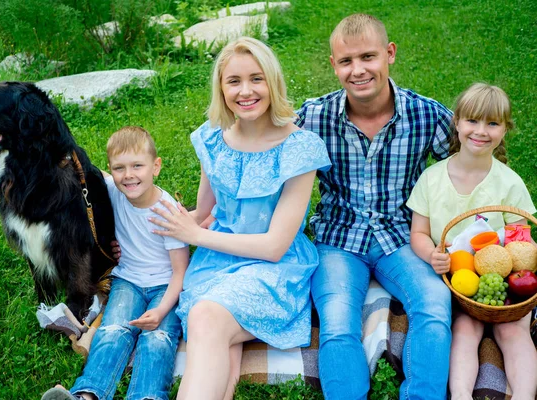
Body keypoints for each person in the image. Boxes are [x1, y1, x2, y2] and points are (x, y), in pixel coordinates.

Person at [147, 37, 331, 400]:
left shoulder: (299, 148)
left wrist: (197, 236)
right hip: (218, 263)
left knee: (206, 318)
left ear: (273, 83)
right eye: (234, 81)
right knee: (215, 334)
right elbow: (202, 213)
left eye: (256, 79)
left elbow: (275, 246)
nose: (245, 91)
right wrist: (144, 230)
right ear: (221, 87)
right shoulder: (213, 139)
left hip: (274, 269)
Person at [296, 13, 454, 400]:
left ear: (390, 54)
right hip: (337, 238)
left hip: (402, 236)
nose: (358, 70)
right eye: (346, 61)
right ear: (333, 65)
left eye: (368, 57)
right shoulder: (312, 117)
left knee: (434, 304)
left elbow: (472, 168)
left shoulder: (426, 114)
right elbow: (272, 162)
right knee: (336, 322)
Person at [408, 83, 537, 400]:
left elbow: (521, 239)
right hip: (460, 279)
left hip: (502, 278)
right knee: (464, 330)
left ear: (505, 129)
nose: (481, 131)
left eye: (493, 123)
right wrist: (432, 255)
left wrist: (516, 269)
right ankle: (462, 395)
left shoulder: (508, 182)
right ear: (456, 121)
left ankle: (524, 395)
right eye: (473, 121)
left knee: (514, 330)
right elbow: (419, 233)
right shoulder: (432, 178)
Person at [41, 126, 190, 400]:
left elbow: (181, 272)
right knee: (111, 331)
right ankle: (86, 395)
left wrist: (161, 311)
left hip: (166, 287)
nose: (129, 175)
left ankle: (146, 397)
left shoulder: (168, 212)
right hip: (127, 281)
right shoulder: (113, 189)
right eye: (119, 168)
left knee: (157, 341)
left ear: (156, 167)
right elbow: (86, 170)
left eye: (137, 166)